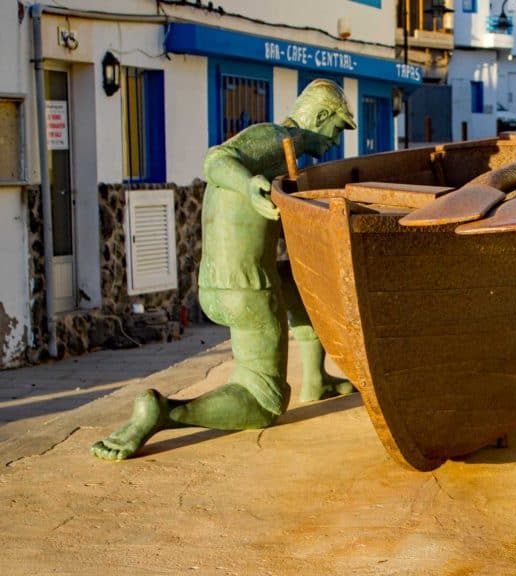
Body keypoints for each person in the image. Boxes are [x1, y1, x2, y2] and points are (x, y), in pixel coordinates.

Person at [92, 79, 357, 461]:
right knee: (263, 400)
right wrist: (250, 185)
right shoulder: (280, 138)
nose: (336, 140)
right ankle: (166, 411)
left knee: (301, 283)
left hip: (223, 282)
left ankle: (316, 379)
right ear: (317, 116)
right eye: (337, 127)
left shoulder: (285, 156)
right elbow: (216, 159)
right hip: (246, 287)